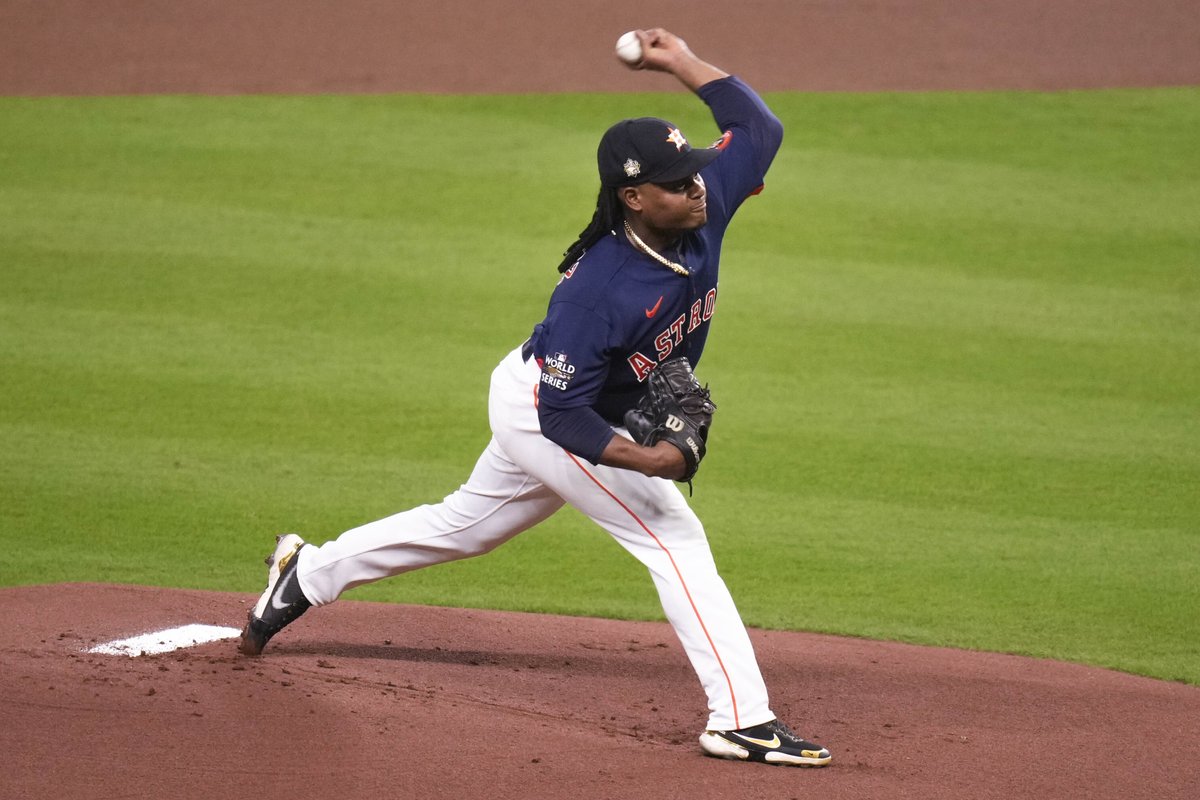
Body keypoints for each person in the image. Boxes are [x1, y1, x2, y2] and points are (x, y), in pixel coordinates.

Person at [238, 28, 831, 769]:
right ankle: (740, 720)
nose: (697, 189)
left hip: (567, 401)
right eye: (677, 183)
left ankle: (307, 573)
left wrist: (678, 61)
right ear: (634, 198)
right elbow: (561, 417)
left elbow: (759, 127)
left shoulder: (701, 205)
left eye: (696, 174)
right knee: (672, 536)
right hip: (547, 409)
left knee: (466, 526)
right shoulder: (599, 291)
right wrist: (652, 461)